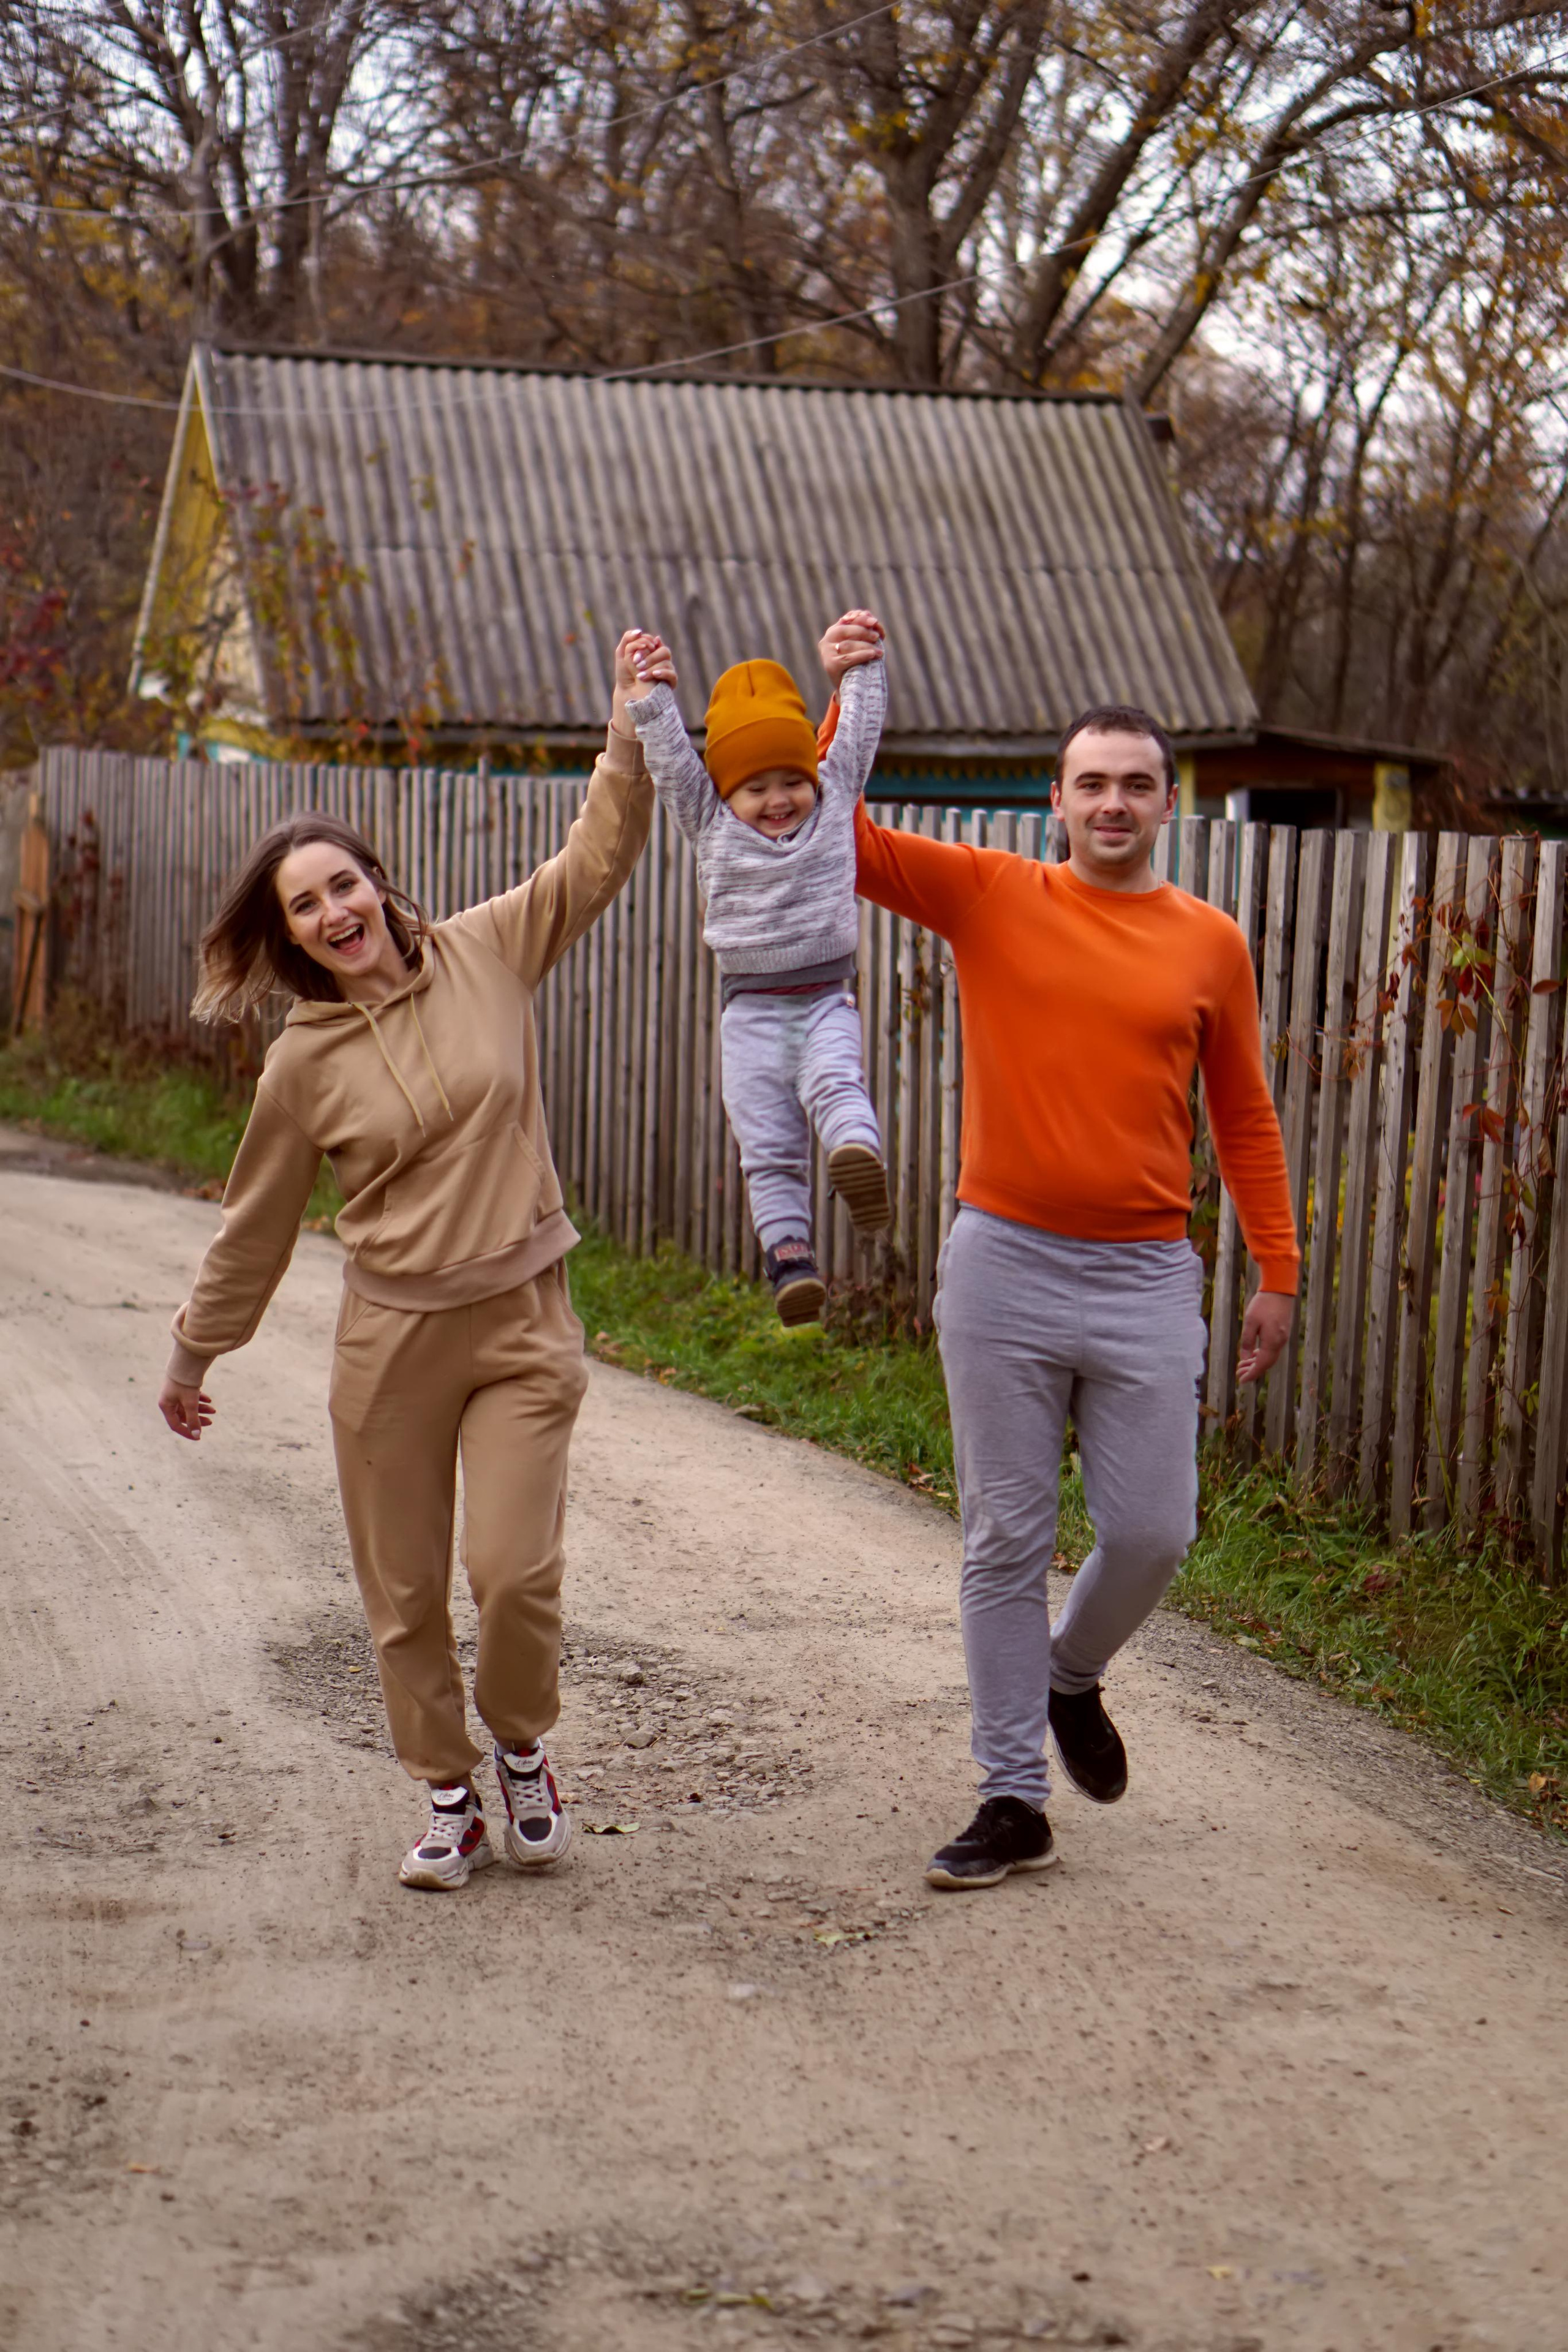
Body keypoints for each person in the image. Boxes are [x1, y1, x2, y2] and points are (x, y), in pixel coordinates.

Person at [156, 635, 654, 1891]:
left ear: (378, 880)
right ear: (291, 937)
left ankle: (523, 1749)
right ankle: (449, 1796)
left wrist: (627, 727)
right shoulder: (300, 1067)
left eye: (342, 884)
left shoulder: (489, 950)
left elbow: (596, 853)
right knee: (404, 1593)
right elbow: (255, 1225)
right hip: (390, 1347)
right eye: (304, 907)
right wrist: (191, 1350)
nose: (334, 913)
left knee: (514, 1573)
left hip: (523, 1321)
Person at [852, 681, 1300, 1890]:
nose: (1111, 801)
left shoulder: (1207, 941)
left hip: (1147, 1274)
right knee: (1005, 1533)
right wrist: (836, 695)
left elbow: (1243, 1116)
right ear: (1052, 801)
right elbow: (830, 832)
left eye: (1134, 783)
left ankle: (1067, 1675)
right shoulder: (991, 894)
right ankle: (1009, 1800)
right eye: (1089, 781)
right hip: (1001, 1263)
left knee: (1154, 1530)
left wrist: (1277, 1267)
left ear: (1166, 802)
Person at [622, 612, 892, 1325]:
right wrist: (650, 692)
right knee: (766, 1142)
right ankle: (791, 1264)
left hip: (826, 997)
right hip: (749, 1013)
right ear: (726, 793)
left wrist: (859, 666)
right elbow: (673, 760)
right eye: (756, 788)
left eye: (789, 780)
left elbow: (858, 733)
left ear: (811, 773)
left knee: (838, 1082)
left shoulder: (833, 801)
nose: (778, 800)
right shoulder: (705, 818)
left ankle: (857, 1156)